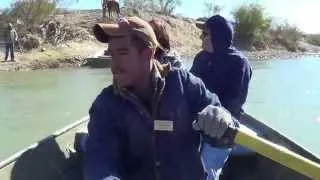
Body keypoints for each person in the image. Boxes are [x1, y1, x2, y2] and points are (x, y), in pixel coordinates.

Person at [84, 16, 236, 180]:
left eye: (122, 53)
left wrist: (221, 118)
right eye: (111, 55)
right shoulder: (105, 105)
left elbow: (226, 130)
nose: (114, 65)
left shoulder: (184, 84)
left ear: (147, 54)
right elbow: (99, 162)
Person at [190, 15, 252, 180]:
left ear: (218, 36)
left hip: (223, 127)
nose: (200, 37)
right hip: (197, 121)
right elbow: (189, 86)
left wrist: (211, 116)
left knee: (206, 171)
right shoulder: (201, 58)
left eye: (205, 34)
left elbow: (234, 103)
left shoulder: (239, 63)